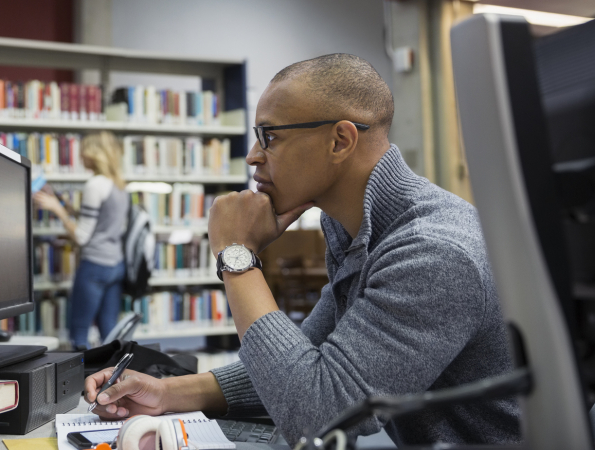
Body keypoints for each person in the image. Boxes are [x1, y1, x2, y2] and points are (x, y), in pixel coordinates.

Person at [83, 54, 521, 446]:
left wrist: (237, 256)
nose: (254, 156)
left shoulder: (433, 253)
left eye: (270, 136)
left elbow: (316, 415)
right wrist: (166, 394)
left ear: (340, 141)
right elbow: (305, 369)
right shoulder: (359, 229)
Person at [34, 131, 129, 350]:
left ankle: (83, 380)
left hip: (94, 266)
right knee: (110, 332)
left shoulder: (95, 185)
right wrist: (69, 208)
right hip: (115, 265)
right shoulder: (118, 184)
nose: (80, 157)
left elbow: (82, 237)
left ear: (95, 154)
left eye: (84, 151)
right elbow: (102, 222)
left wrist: (57, 210)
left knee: (79, 332)